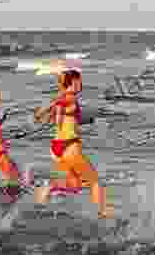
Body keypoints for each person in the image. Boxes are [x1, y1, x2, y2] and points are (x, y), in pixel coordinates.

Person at [33, 69, 110, 218]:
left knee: (74, 185)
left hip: (57, 147)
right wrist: (51, 112)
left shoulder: (65, 99)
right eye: (79, 81)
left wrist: (93, 120)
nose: (81, 84)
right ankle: (103, 213)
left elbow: (71, 118)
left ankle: (50, 187)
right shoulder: (69, 97)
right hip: (69, 146)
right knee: (94, 181)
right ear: (73, 82)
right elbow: (59, 105)